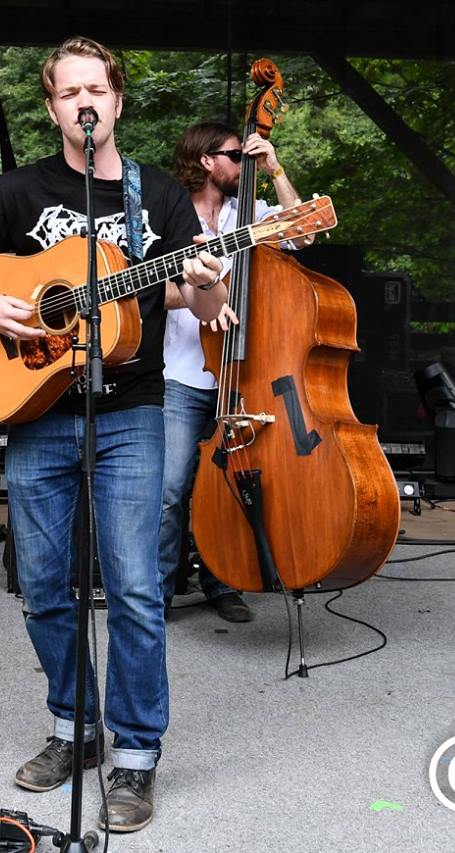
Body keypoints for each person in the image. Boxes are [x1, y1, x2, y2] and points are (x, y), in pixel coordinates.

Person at [0, 37, 226, 834]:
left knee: (133, 586)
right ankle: (74, 725)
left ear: (118, 100)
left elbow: (194, 302)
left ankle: (136, 754)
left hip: (130, 410)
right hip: (37, 406)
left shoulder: (158, 195)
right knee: (46, 584)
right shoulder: (20, 192)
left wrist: (206, 284)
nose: (85, 101)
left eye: (98, 87)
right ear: (53, 107)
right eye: (69, 91)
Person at [156, 119, 314, 625]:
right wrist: (201, 299)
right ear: (206, 161)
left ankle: (223, 581)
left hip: (244, 377)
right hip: (182, 375)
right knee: (171, 489)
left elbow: (305, 232)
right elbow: (146, 287)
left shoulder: (252, 214)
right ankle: (155, 592)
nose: (244, 165)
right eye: (236, 157)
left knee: (231, 484)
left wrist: (275, 168)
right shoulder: (170, 217)